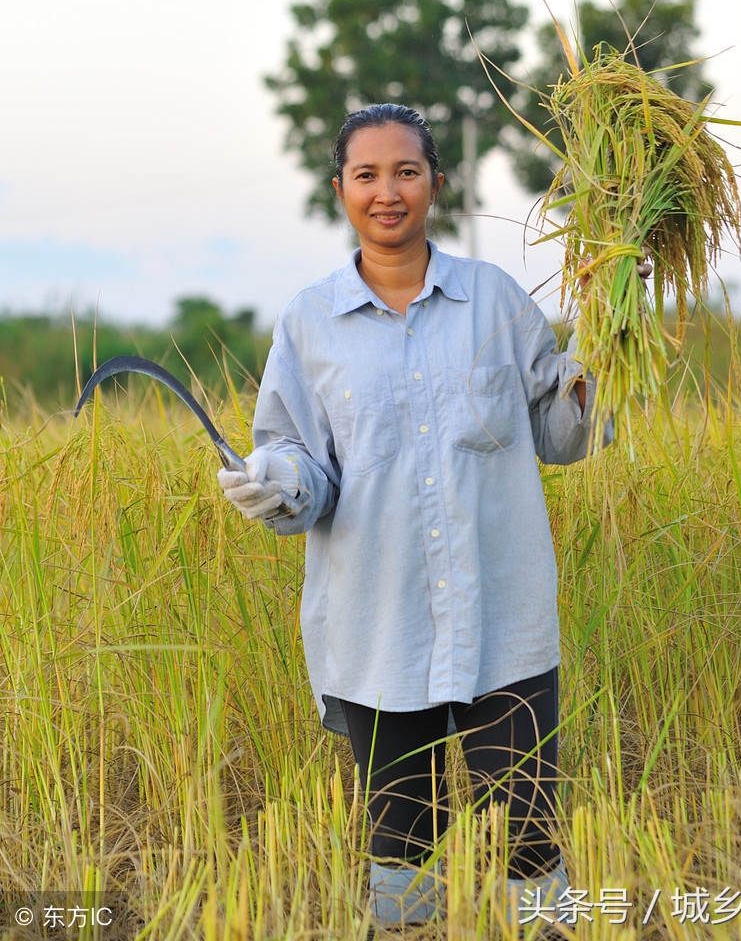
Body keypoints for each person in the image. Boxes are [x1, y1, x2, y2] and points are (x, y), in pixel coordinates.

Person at [218, 103, 624, 937]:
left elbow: (558, 436)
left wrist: (599, 365)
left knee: (529, 837)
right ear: (340, 191)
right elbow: (303, 463)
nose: (387, 191)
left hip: (502, 622)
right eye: (366, 175)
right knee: (402, 850)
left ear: (436, 183)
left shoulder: (495, 304)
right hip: (379, 626)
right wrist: (274, 483)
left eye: (406, 171)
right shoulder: (309, 323)